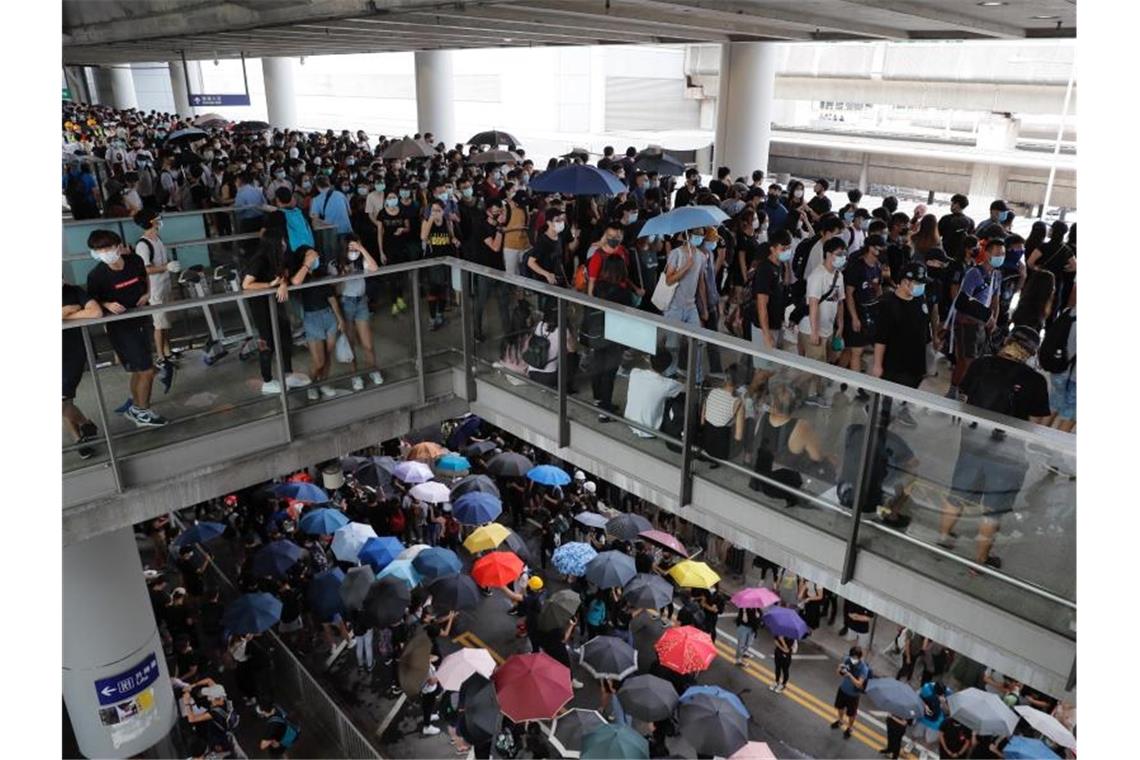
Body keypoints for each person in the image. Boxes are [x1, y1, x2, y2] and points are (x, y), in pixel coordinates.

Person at [938, 327, 1051, 568]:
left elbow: (965, 397)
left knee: (958, 493)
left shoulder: (981, 364)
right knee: (993, 508)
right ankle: (979, 561)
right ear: (1031, 351)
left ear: (1007, 341)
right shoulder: (1035, 380)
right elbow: (1037, 422)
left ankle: (943, 537)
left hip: (972, 441)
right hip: (1008, 451)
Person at [84, 229, 168, 427]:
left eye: (107, 248)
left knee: (139, 370)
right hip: (121, 327)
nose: (104, 252)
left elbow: (143, 277)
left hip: (140, 318)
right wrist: (107, 305)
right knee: (146, 370)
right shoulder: (96, 276)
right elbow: (93, 301)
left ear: (118, 246)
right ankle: (141, 410)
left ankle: (135, 406)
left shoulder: (135, 261)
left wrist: (147, 293)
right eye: (99, 250)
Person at [242, 225, 311, 394]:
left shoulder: (279, 256)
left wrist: (283, 284)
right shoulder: (260, 260)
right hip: (260, 304)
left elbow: (284, 275)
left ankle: (287, 373)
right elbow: (246, 284)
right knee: (267, 341)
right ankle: (267, 381)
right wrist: (270, 285)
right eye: (281, 241)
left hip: (275, 301)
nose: (284, 243)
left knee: (285, 334)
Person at [290, 244, 346, 400]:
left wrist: (340, 319)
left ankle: (324, 382)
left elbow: (332, 298)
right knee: (319, 361)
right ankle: (311, 384)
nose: (315, 259)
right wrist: (306, 265)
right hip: (312, 319)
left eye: (315, 256)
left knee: (327, 356)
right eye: (310, 256)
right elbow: (295, 282)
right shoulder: (300, 275)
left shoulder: (321, 273)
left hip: (329, 317)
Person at [133, 208, 179, 388]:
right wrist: (166, 267)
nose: (160, 220)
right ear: (151, 221)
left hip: (165, 283)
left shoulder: (157, 239)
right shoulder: (143, 245)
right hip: (155, 288)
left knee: (166, 320)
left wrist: (167, 268)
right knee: (159, 323)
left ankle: (167, 352)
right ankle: (160, 356)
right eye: (157, 217)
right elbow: (144, 269)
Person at [586, 256, 637, 419]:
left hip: (596, 332)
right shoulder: (623, 293)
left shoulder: (598, 287)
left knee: (598, 366)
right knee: (609, 372)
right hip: (614, 335)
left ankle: (597, 399)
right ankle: (604, 410)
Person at [798, 237, 847, 407]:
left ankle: (814, 392)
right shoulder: (817, 276)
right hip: (813, 328)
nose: (842, 257)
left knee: (821, 363)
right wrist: (814, 331)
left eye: (844, 254)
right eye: (839, 254)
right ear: (828, 254)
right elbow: (812, 304)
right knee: (815, 365)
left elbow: (840, 301)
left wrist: (840, 324)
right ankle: (802, 393)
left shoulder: (838, 275)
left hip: (828, 328)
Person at [333, 238, 385, 389]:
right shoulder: (335, 264)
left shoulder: (361, 261)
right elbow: (335, 290)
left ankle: (373, 369)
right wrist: (342, 276)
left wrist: (362, 249)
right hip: (345, 303)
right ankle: (354, 375)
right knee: (350, 344)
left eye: (356, 248)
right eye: (351, 249)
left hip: (361, 302)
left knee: (367, 344)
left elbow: (374, 268)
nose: (354, 252)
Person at [661, 227, 708, 380]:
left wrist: (704, 308)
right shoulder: (676, 254)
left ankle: (697, 377)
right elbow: (669, 280)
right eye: (697, 235)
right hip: (674, 307)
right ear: (688, 235)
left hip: (691, 306)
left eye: (702, 235)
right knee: (672, 345)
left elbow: (701, 283)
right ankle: (669, 374)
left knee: (698, 343)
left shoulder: (701, 256)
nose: (700, 238)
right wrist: (686, 267)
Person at [62, 281, 102, 460]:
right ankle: (81, 434)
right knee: (64, 400)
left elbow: (95, 312)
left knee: (62, 400)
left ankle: (85, 427)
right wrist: (65, 311)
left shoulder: (74, 291)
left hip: (72, 352)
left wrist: (63, 315)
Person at [842, 234, 885, 375]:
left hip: (871, 311)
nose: (881, 251)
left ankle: (838, 370)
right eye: (879, 248)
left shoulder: (877, 267)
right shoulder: (857, 267)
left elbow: (878, 290)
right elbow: (849, 294)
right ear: (870, 248)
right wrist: (854, 317)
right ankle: (855, 386)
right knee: (857, 350)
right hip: (857, 310)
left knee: (852, 349)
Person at [469, 197, 510, 343]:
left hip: (500, 269)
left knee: (504, 303)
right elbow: (495, 247)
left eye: (501, 210)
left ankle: (508, 334)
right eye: (496, 210)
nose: (499, 213)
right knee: (481, 302)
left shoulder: (499, 226)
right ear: (488, 211)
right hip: (485, 271)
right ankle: (476, 331)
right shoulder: (481, 227)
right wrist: (500, 228)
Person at [623, 348, 683, 438]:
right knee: (677, 398)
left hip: (629, 420)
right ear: (668, 366)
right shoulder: (667, 384)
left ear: (649, 360)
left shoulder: (635, 372)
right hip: (650, 431)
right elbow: (685, 387)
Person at [420, 198, 458, 330]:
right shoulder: (426, 222)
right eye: (433, 210)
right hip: (432, 261)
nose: (436, 213)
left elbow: (451, 236)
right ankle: (432, 318)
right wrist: (431, 219)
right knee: (432, 290)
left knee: (443, 289)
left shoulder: (447, 221)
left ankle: (440, 315)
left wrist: (454, 240)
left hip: (445, 260)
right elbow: (423, 237)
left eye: (439, 210)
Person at [700, 364, 747, 464]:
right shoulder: (738, 402)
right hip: (724, 451)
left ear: (725, 377)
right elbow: (738, 437)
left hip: (706, 442)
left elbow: (702, 421)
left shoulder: (711, 392)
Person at [831, 646, 870, 740]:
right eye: (852, 656)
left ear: (860, 657)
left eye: (855, 658)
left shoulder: (863, 668)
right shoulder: (847, 660)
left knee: (851, 714)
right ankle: (840, 721)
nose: (853, 659)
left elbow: (859, 684)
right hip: (843, 690)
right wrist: (839, 668)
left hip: (853, 695)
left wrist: (849, 675)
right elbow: (838, 673)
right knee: (840, 708)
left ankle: (849, 728)